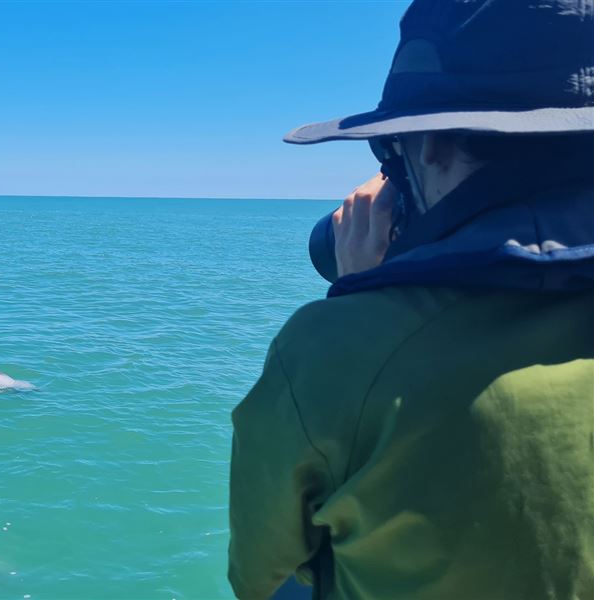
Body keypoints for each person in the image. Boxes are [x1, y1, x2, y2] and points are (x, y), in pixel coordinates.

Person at [227, 1, 594, 599]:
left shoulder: (338, 350)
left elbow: (255, 576)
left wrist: (356, 304)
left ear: (432, 148)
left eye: (389, 156)